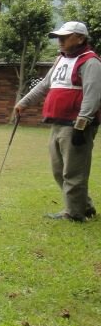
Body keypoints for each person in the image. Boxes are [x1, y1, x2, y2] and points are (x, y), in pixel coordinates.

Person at [14, 21, 100, 221]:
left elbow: (93, 95)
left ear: (80, 38)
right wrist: (24, 102)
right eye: (58, 37)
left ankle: (74, 213)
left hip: (76, 125)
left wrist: (82, 124)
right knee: (58, 170)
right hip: (58, 123)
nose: (59, 41)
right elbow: (45, 85)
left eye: (65, 36)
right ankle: (84, 206)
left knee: (73, 172)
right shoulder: (61, 60)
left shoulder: (90, 62)